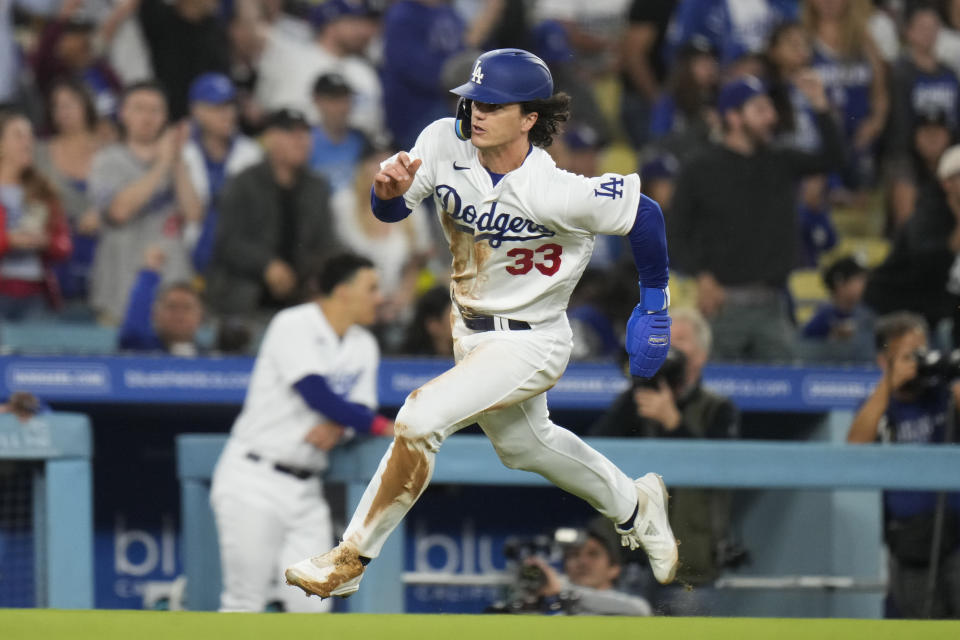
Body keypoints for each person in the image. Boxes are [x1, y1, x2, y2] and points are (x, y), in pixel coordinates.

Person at [284, 48, 679, 600]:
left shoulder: (556, 189)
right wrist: (385, 193)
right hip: (468, 330)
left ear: (529, 118)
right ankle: (637, 505)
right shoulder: (443, 143)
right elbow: (393, 210)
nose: (477, 113)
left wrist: (655, 303)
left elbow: (646, 215)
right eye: (473, 100)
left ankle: (350, 558)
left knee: (420, 419)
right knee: (527, 447)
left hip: (531, 339)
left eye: (494, 104)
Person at [211, 253, 393, 613]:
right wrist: (377, 426)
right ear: (342, 291)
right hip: (254, 478)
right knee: (244, 601)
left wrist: (342, 424)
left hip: (307, 489)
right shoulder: (293, 323)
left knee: (311, 606)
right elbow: (315, 392)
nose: (379, 298)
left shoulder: (364, 345)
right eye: (371, 288)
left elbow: (360, 408)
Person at [667, 74, 844, 362]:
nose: (771, 117)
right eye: (760, 110)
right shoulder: (699, 168)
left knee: (785, 390)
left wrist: (820, 106)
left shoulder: (781, 160)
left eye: (770, 108)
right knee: (715, 386)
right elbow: (675, 233)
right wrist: (701, 275)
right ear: (734, 117)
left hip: (773, 304)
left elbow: (835, 160)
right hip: (721, 305)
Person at [590, 307, 740, 614]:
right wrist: (638, 385)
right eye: (663, 339)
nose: (667, 347)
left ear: (699, 356)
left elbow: (716, 471)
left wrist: (673, 422)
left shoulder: (717, 409)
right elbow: (595, 454)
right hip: (629, 560)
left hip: (687, 566)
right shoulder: (634, 400)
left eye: (679, 341)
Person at [846, 312, 960, 619]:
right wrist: (889, 384)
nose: (919, 362)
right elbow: (855, 446)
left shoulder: (943, 393)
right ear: (884, 361)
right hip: (910, 543)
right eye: (910, 355)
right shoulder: (879, 404)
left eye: (923, 352)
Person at [206, 108, 339, 316]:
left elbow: (327, 244)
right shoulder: (244, 182)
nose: (301, 141)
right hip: (245, 297)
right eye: (291, 134)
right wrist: (267, 265)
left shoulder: (317, 188)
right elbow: (228, 242)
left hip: (300, 296)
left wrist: (318, 282)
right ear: (270, 138)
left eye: (305, 134)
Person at [88, 81, 196, 324]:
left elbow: (194, 215)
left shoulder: (178, 159)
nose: (147, 117)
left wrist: (176, 161)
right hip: (120, 292)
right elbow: (119, 211)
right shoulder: (107, 160)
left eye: (155, 110)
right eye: (139, 108)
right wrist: (162, 164)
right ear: (123, 113)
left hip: (173, 293)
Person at [866, 144, 960, 333]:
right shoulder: (928, 211)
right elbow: (927, 263)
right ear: (947, 182)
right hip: (889, 311)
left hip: (932, 315)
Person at [181, 72, 262, 274]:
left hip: (238, 258)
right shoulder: (181, 151)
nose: (227, 114)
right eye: (217, 107)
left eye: (230, 106)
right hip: (187, 256)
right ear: (196, 111)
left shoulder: (252, 152)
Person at [34, 79, 104, 303]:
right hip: (56, 257)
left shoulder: (111, 153)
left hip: (103, 255)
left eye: (70, 104)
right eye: (57, 106)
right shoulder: (39, 154)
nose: (63, 112)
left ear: (86, 106)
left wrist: (104, 215)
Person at [0, 110, 72, 320]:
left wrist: (47, 242)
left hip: (35, 294)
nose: (28, 142)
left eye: (30, 136)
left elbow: (63, 244)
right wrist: (9, 241)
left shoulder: (43, 190)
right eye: (19, 135)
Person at [515, 519, 653, 616]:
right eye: (574, 555)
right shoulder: (555, 610)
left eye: (593, 554)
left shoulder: (631, 606)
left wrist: (561, 589)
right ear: (565, 567)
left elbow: (641, 611)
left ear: (614, 568)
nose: (582, 561)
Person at [137, 0, 230, 120]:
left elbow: (223, 78)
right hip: (165, 117)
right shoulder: (159, 17)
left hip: (207, 119)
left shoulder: (216, 29)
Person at [117, 246, 204, 355]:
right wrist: (150, 273)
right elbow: (134, 331)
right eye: (172, 307)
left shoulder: (214, 358)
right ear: (155, 314)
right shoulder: (139, 349)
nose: (179, 314)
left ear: (199, 316)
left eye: (187, 308)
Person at [799, 255, 874, 363]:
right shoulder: (824, 315)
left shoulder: (867, 314)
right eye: (859, 280)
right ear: (839, 282)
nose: (865, 285)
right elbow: (805, 345)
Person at [308, 73, 370, 195]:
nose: (342, 107)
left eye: (345, 99)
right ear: (317, 100)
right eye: (333, 99)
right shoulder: (304, 141)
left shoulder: (362, 140)